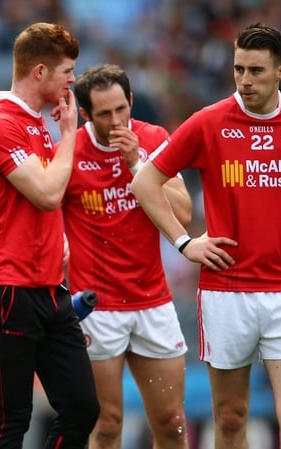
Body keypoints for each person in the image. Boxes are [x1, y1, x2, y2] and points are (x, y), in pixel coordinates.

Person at [131, 23, 281, 449]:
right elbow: (146, 182)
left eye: (256, 71)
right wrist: (185, 242)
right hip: (226, 292)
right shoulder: (208, 123)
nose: (244, 80)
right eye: (238, 69)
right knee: (230, 417)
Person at [0, 22, 100, 449]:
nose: (73, 81)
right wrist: (68, 137)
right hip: (7, 288)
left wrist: (55, 239)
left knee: (82, 408)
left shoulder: (38, 124)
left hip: (49, 288)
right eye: (68, 71)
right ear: (40, 71)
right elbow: (47, 194)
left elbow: (41, 201)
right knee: (12, 421)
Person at [63, 63, 192, 449]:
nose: (117, 120)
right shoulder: (69, 153)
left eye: (122, 109)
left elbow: (182, 213)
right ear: (85, 114)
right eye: (104, 113)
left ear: (131, 100)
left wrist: (138, 164)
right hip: (97, 308)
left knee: (172, 423)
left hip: (152, 300)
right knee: (106, 424)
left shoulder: (153, 138)